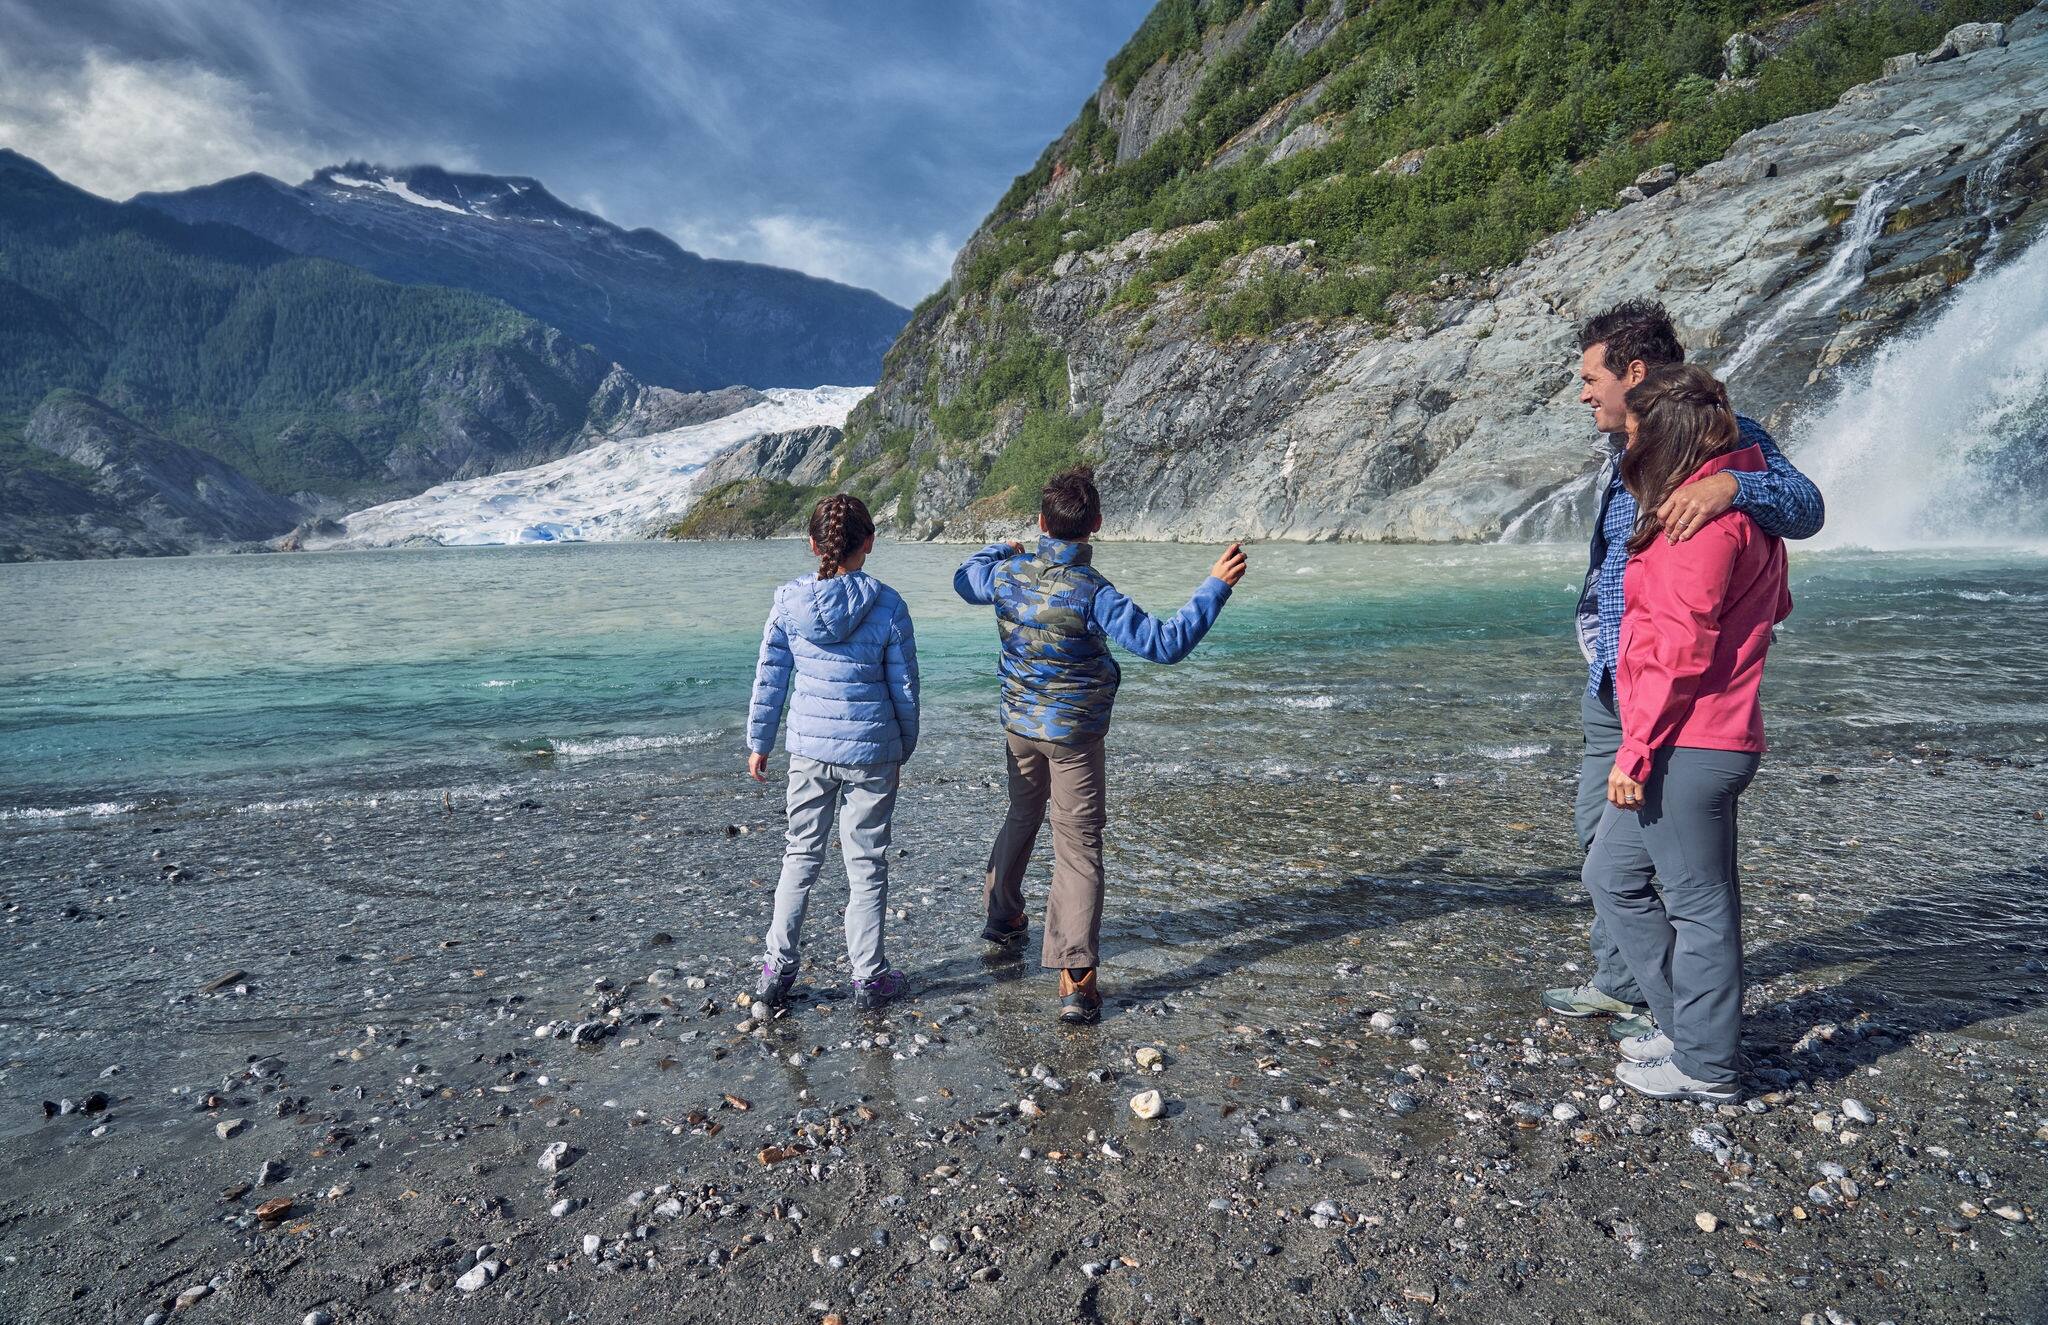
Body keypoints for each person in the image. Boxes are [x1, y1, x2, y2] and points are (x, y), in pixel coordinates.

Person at [1544, 299, 1822, 1039]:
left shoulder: (1724, 437)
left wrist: (1734, 485)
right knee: (1596, 841)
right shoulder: (1623, 444)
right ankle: (1624, 983)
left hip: (1673, 691)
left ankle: (1687, 1024)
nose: (1583, 394)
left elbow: (1807, 505)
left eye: (1589, 378)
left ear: (1634, 373)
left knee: (1667, 868)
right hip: (1612, 679)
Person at [954, 467, 1247, 1024]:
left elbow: (963, 577)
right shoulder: (1094, 593)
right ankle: (1075, 977)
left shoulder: (1005, 574)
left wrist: (1001, 546)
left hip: (1019, 724)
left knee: (1022, 813)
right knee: (1079, 844)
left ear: (1041, 522)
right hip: (1075, 734)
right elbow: (1165, 644)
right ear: (1096, 526)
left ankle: (1002, 916)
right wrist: (1216, 586)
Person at [1584, 363, 1792, 1102]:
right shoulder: (1738, 509)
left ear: (1665, 434)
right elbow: (1780, 602)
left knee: (1701, 905)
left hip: (1688, 741)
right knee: (1610, 873)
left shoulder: (1696, 520)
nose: (1627, 439)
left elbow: (1677, 648)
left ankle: (1707, 1067)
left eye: (1637, 428)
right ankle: (1691, 1028)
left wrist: (1635, 751)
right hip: (1706, 734)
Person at [745, 494, 919, 1012]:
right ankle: (868, 978)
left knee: (800, 853)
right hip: (873, 750)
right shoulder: (888, 604)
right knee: (866, 862)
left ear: (813, 544)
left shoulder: (787, 603)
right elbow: (905, 687)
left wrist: (760, 741)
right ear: (869, 543)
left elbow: (771, 677)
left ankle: (777, 969)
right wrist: (902, 743)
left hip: (808, 749)